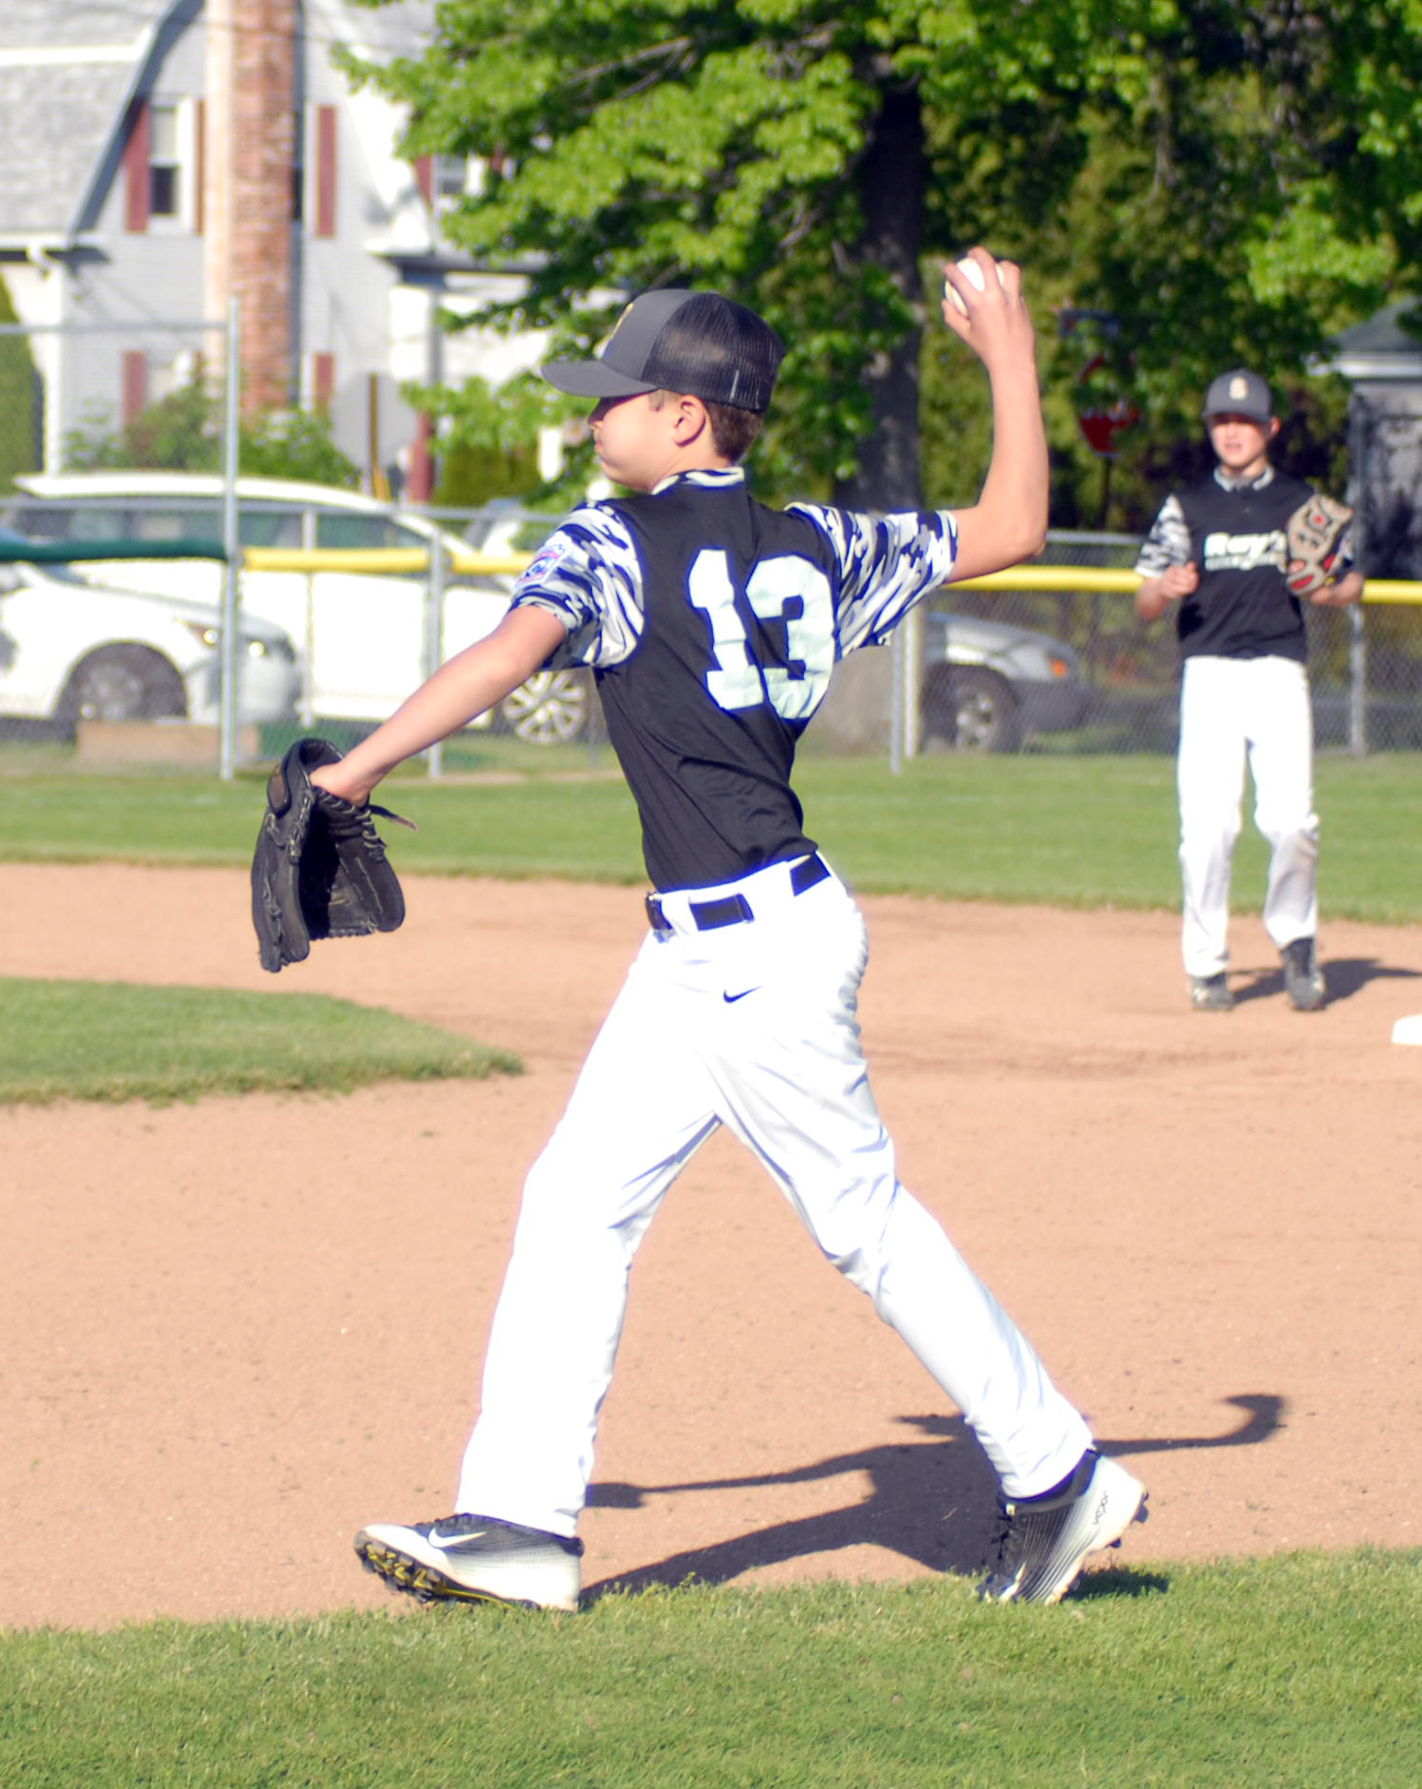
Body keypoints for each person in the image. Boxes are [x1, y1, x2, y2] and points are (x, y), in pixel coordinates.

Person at [321, 254, 1146, 1613]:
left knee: (860, 1219)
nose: (596, 420)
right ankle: (523, 1523)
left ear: (689, 418)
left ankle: (1056, 1469)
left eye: (618, 399)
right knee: (575, 1202)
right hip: (726, 943)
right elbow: (1012, 524)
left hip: (747, 954)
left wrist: (356, 771)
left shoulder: (607, 538)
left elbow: (506, 655)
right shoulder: (818, 540)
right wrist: (1010, 353)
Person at [1133, 369, 1364, 1014]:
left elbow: (1350, 582)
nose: (1233, 432)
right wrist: (1164, 590)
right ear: (1211, 430)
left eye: (1245, 421)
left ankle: (1296, 940)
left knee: (1291, 822)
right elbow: (1145, 598)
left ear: (1270, 429)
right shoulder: (1186, 506)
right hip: (1208, 672)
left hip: (1278, 671)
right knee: (1207, 829)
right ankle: (1206, 964)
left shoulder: (1300, 501)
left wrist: (1329, 590)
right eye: (1222, 422)